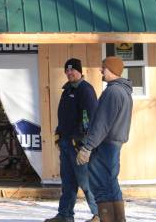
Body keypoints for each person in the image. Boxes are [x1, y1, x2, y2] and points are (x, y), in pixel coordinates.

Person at [76, 56, 133, 222]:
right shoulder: (123, 91)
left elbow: (102, 123)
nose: (101, 70)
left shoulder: (113, 92)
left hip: (105, 146)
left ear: (112, 70)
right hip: (113, 145)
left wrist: (87, 147)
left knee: (102, 186)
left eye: (104, 68)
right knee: (111, 185)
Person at [45, 58, 100, 222]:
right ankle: (65, 214)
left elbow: (92, 118)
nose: (69, 73)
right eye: (67, 70)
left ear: (80, 71)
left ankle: (99, 214)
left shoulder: (86, 90)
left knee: (86, 182)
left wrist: (85, 142)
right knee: (67, 181)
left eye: (73, 70)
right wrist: (58, 133)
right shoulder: (67, 89)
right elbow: (64, 116)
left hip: (79, 145)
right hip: (65, 142)